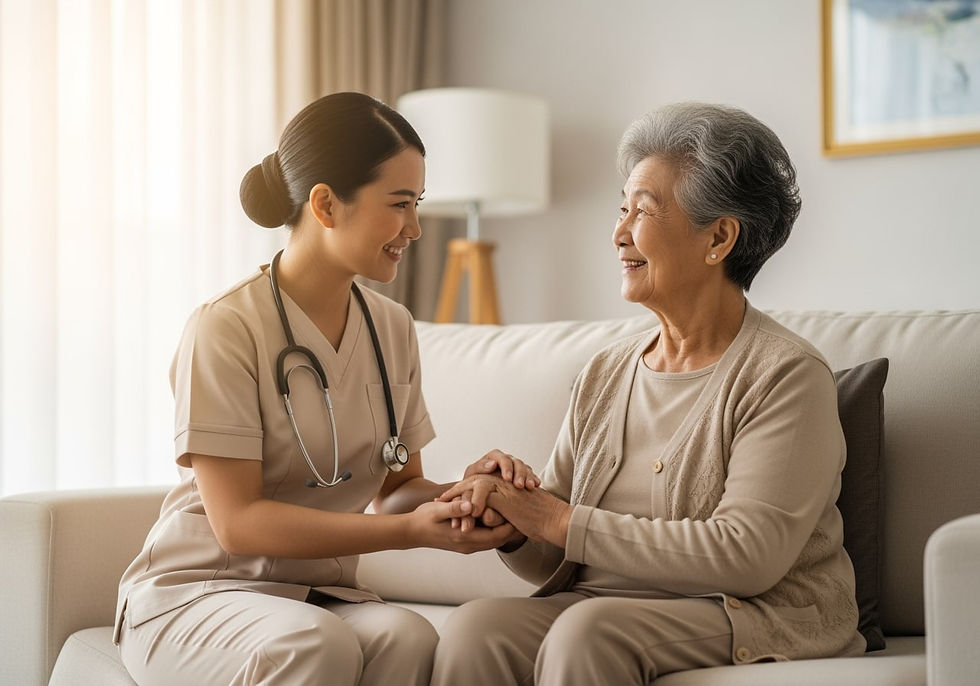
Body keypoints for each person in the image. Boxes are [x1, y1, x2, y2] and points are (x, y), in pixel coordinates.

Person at [433, 102, 867, 685]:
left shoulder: (785, 375)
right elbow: (554, 550)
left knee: (589, 631)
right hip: (598, 609)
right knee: (476, 627)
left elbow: (747, 557)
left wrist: (555, 518)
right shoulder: (605, 371)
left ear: (719, 238)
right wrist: (511, 518)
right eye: (622, 209)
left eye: (642, 211)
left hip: (744, 612)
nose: (618, 234)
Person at [113, 91, 537, 686]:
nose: (415, 228)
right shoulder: (225, 326)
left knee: (408, 636)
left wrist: (468, 495)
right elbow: (237, 523)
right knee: (314, 643)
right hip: (198, 592)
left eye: (416, 204)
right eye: (399, 204)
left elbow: (398, 491)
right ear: (326, 204)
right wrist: (407, 534)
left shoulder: (392, 327)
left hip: (315, 594)